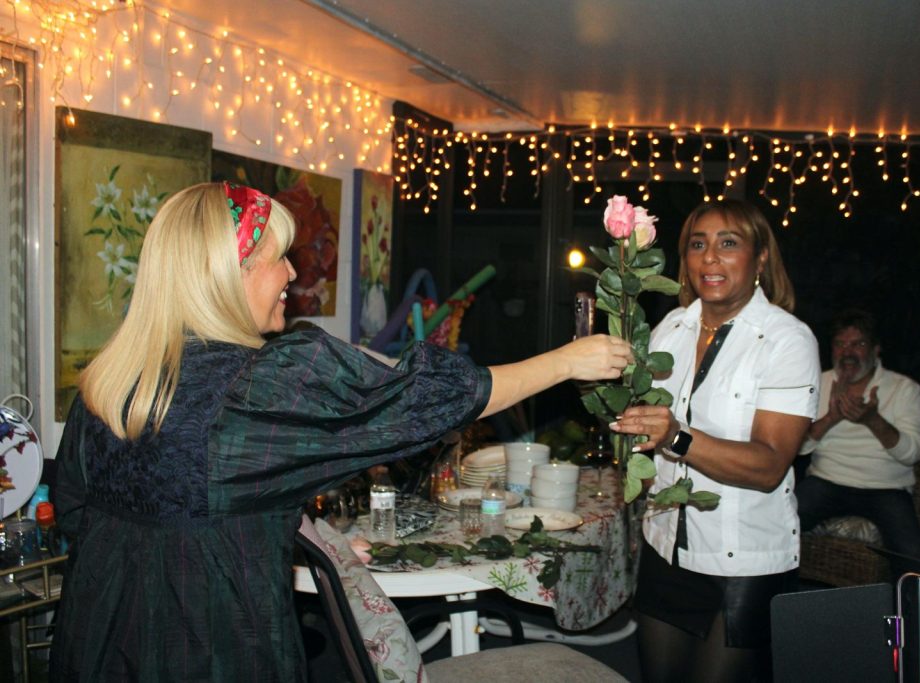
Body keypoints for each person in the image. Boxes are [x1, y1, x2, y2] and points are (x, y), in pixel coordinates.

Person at [50, 182, 632, 682]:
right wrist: (565, 361)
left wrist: (294, 537)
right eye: (278, 257)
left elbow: (88, 512)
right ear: (229, 274)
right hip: (213, 648)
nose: (293, 273)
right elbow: (431, 399)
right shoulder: (255, 385)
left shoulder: (111, 384)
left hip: (97, 641)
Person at [611, 199, 820, 682]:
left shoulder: (787, 340)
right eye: (697, 244)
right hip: (665, 548)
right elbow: (646, 427)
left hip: (742, 563)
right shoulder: (671, 328)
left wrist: (677, 437)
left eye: (728, 243)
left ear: (760, 257)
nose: (709, 258)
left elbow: (769, 466)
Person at [795, 308, 920, 557]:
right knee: (777, 528)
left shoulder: (904, 389)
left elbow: (913, 454)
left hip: (886, 488)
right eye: (840, 344)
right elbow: (797, 448)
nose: (848, 352)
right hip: (826, 481)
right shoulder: (818, 382)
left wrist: (872, 420)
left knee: (912, 556)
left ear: (876, 349)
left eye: (858, 344)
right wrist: (831, 418)